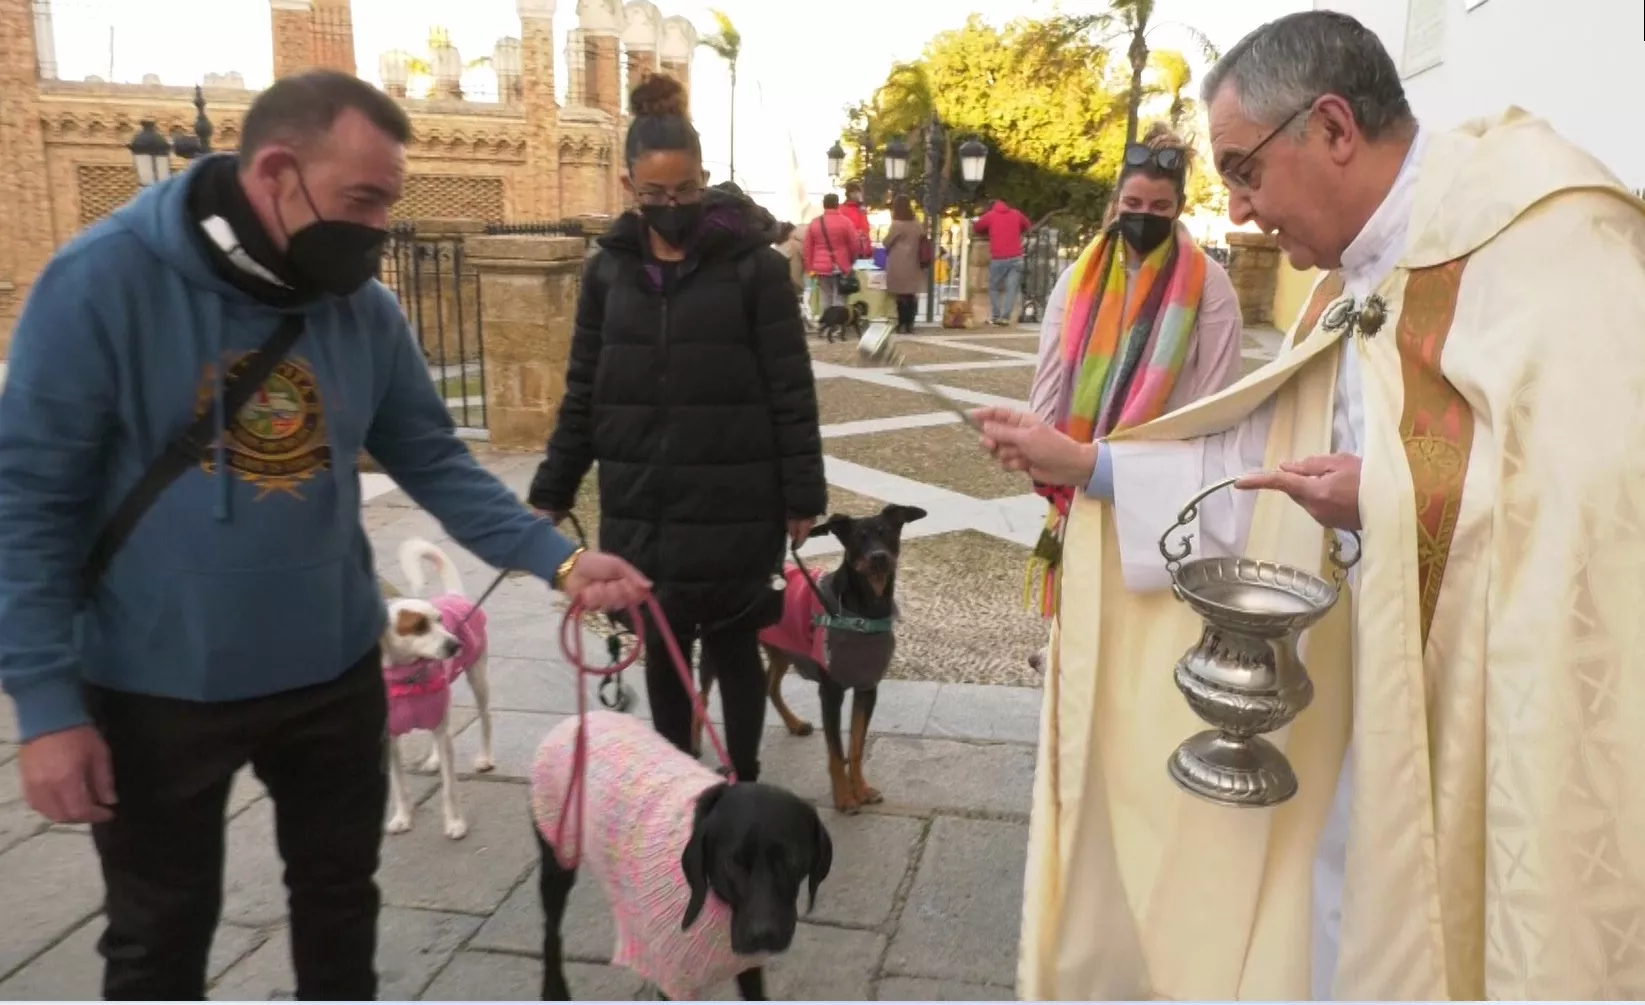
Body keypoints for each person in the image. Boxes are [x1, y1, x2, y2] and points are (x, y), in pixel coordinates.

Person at [982, 11, 1645, 1001]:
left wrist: (1384, 497)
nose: (1240, 214)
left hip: (1483, 740)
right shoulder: (1355, 272)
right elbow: (1272, 458)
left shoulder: (1547, 236)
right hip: (1366, 709)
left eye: (1244, 171)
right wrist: (1090, 469)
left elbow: (1601, 505)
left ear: (1332, 129)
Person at [0, 69, 651, 1001]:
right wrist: (47, 707)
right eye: (364, 199)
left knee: (341, 906)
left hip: (331, 670)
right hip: (154, 682)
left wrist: (563, 559)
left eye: (389, 200)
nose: (381, 226)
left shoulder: (361, 310)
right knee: (158, 935)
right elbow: (26, 505)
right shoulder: (99, 283)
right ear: (275, 171)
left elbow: (436, 462)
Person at [528, 74, 826, 785]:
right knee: (663, 650)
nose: (671, 207)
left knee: (732, 650)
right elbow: (583, 389)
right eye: (655, 195)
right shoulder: (607, 272)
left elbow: (791, 390)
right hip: (642, 500)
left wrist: (800, 496)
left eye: (685, 191)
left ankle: (743, 782)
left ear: (703, 180)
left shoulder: (754, 270)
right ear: (629, 185)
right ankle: (676, 786)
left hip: (734, 498)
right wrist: (552, 487)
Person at [1021, 122, 1243, 625]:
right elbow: (1051, 378)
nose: (1145, 217)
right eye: (1134, 205)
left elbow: (1215, 403)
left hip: (1159, 489)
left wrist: (1160, 473)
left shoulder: (1210, 285)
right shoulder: (1079, 278)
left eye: (1160, 208)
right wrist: (1043, 450)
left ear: (1178, 208)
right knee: (1081, 623)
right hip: (1079, 479)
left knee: (1139, 626)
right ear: (1117, 203)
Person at [972, 197, 1033, 325]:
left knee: (993, 287)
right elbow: (1027, 225)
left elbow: (977, 227)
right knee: (1012, 289)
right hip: (1017, 257)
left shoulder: (990, 216)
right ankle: (1005, 317)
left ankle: (995, 315)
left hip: (999, 258)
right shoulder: (1016, 214)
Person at [804, 193, 869, 312]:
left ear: (824, 205)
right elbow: (854, 244)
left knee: (825, 296)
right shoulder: (845, 222)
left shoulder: (815, 223)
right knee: (840, 297)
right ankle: (837, 325)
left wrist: (810, 268)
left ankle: (827, 324)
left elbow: (808, 247)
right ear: (837, 204)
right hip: (841, 266)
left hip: (820, 268)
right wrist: (851, 260)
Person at [881, 195, 927, 334]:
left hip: (898, 263)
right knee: (911, 295)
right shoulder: (916, 223)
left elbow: (886, 242)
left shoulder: (897, 224)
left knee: (901, 296)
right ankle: (910, 323)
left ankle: (901, 323)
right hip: (914, 262)